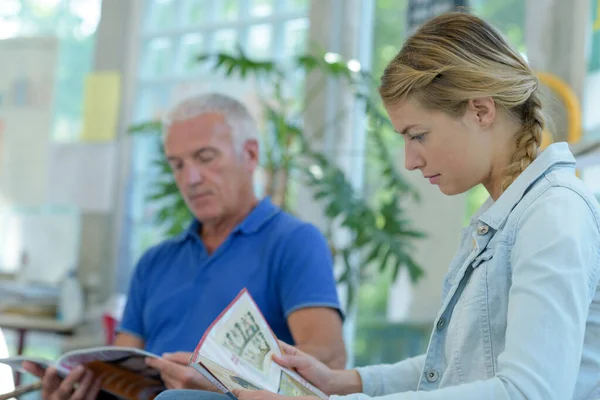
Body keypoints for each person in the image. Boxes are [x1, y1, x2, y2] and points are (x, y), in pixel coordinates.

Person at [156, 11, 600, 400]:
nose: (410, 160)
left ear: (481, 111)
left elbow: (528, 392)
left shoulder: (553, 215)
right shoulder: (501, 218)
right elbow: (450, 371)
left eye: (418, 135)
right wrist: (339, 382)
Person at [23, 93, 346, 398]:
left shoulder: (294, 242)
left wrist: (221, 385)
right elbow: (117, 369)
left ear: (250, 154)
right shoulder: (155, 261)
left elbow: (328, 360)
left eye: (205, 158)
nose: (190, 178)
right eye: (177, 164)